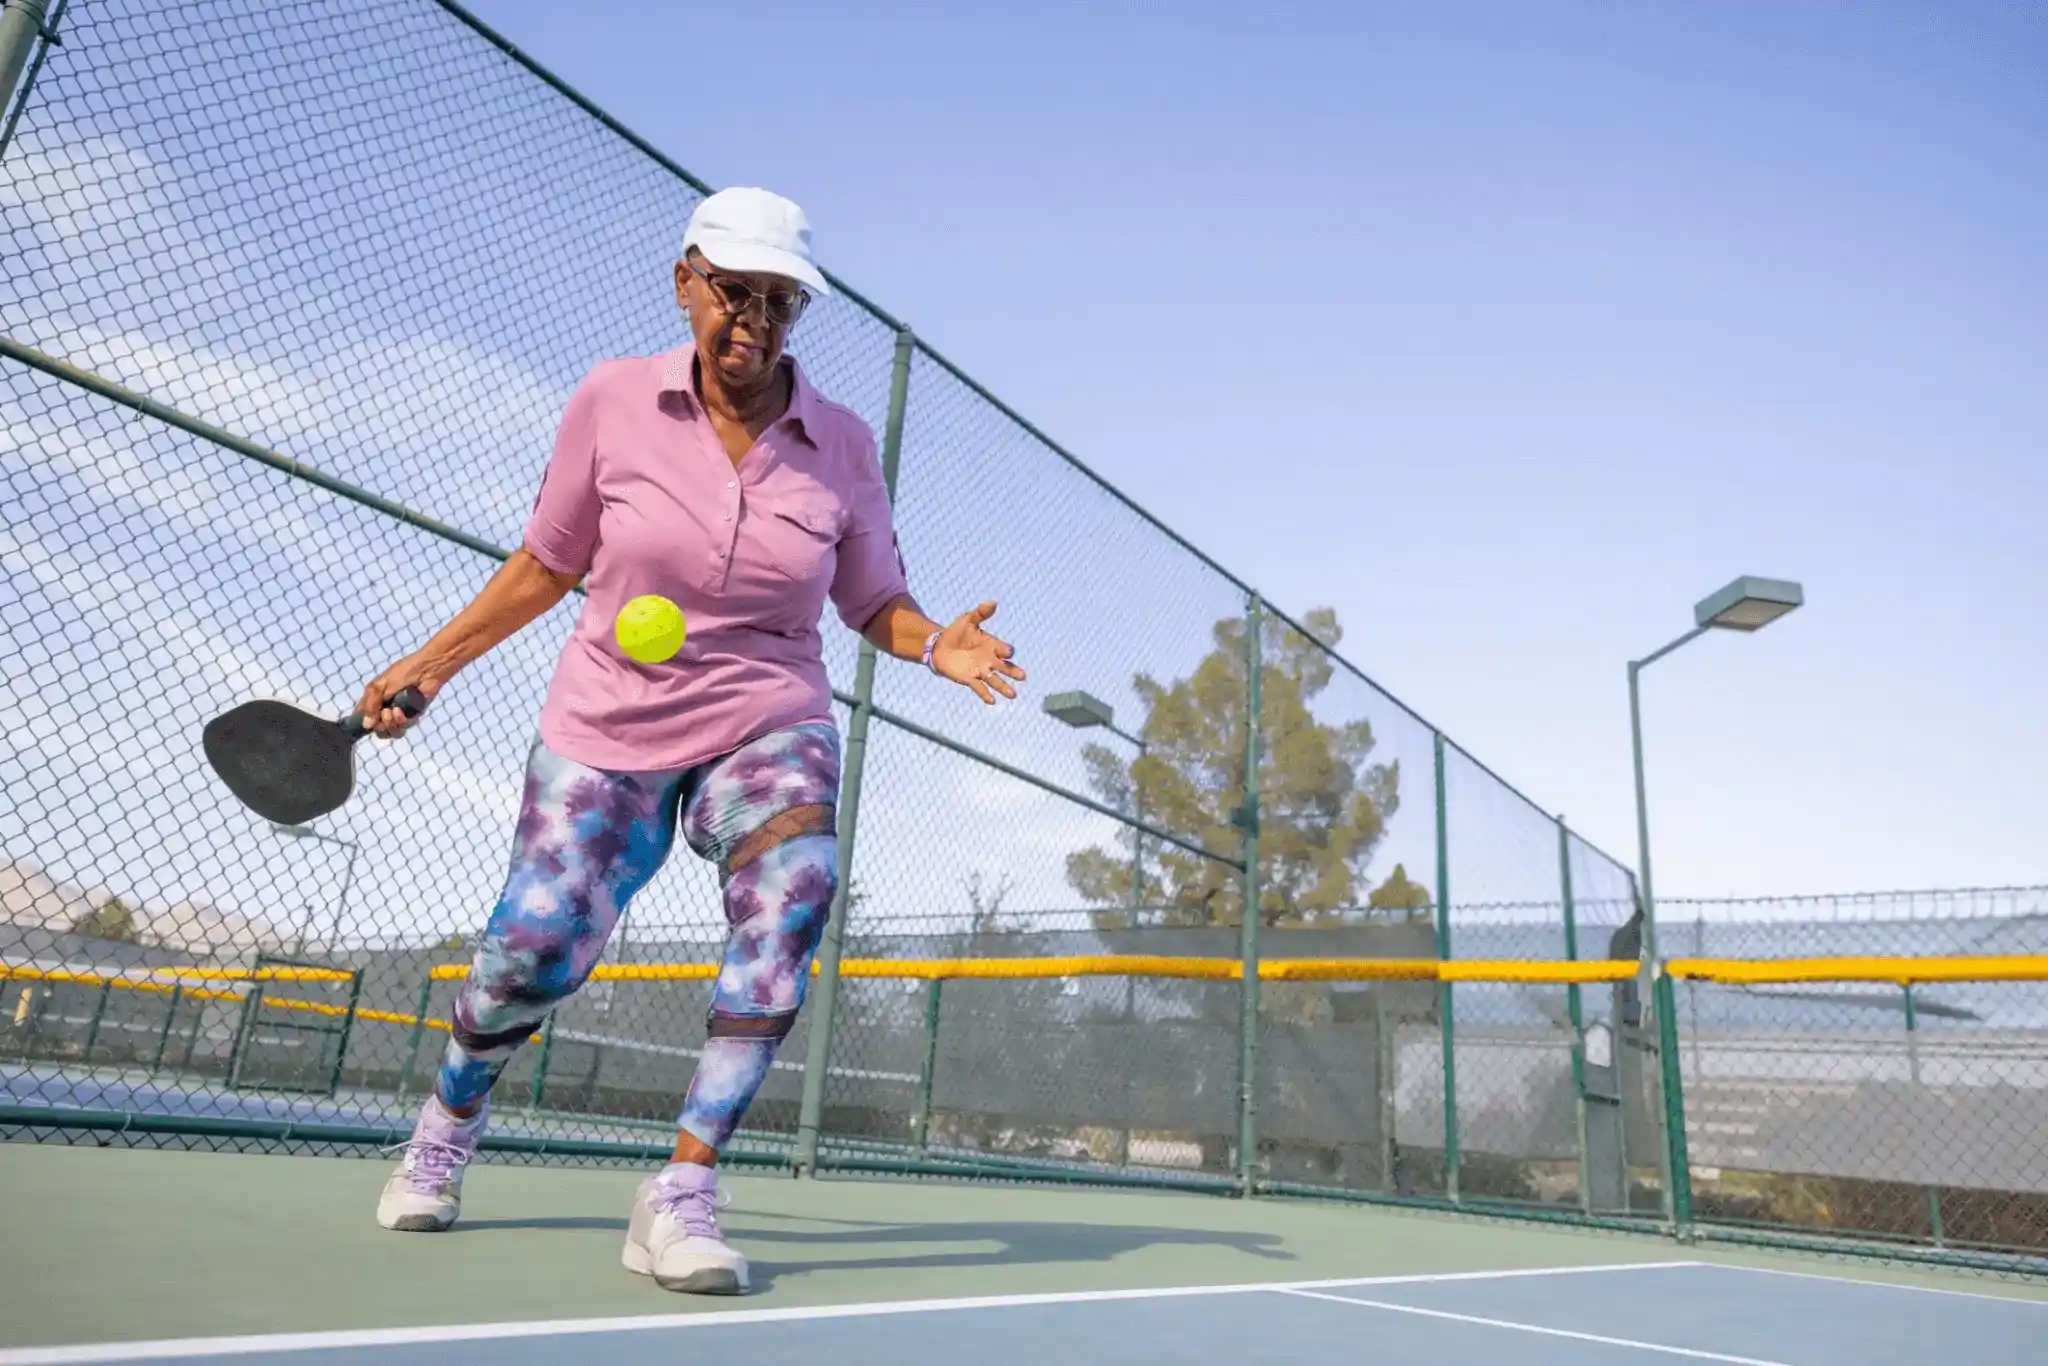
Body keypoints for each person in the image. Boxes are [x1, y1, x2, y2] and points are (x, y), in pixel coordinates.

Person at [356, 186, 1025, 1295]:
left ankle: (681, 1189)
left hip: (769, 712)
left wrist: (929, 646)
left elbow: (873, 601)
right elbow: (545, 565)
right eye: (736, 293)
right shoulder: (610, 402)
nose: (756, 321)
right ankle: (445, 1124)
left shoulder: (843, 445)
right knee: (533, 948)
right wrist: (426, 665)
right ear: (685, 283)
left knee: (794, 893)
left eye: (781, 301)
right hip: (605, 717)